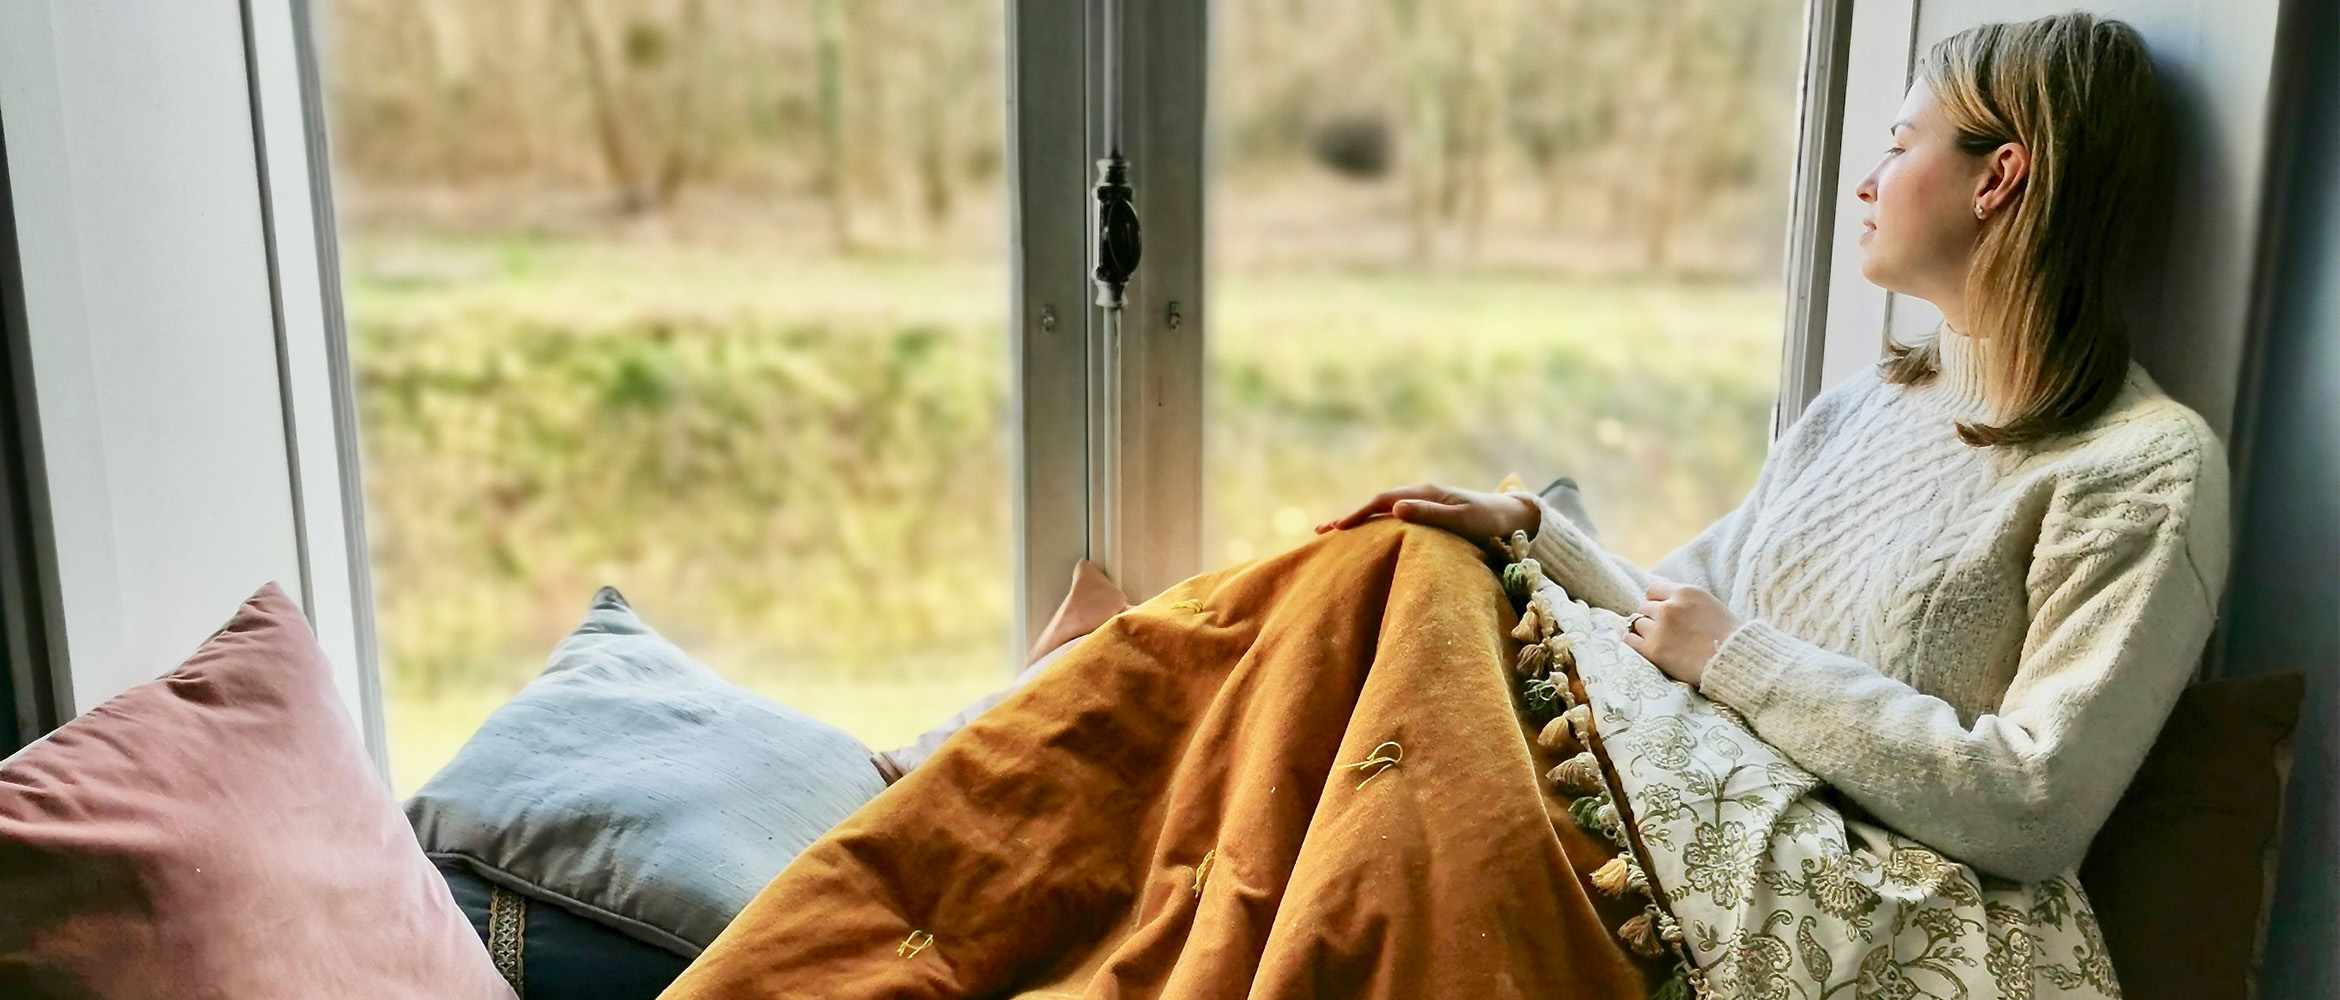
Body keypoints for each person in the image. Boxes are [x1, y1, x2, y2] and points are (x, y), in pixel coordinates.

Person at [1320, 11, 2225, 883]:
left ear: (1998, 179)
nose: (1867, 182)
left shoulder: (2138, 467)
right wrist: (1529, 531)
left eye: (1901, 145)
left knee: (1418, 827)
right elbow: (1683, 611)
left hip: (1854, 897)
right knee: (1399, 580)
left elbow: (2035, 804)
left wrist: (1741, 660)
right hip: (1705, 805)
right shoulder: (1867, 404)